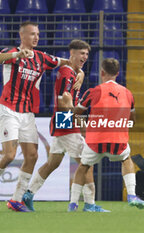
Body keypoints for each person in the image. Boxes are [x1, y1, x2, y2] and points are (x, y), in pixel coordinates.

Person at [0, 21, 76, 212]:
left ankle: (16, 199)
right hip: (9, 110)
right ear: (22, 36)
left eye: (37, 34)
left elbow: (62, 62)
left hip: (27, 113)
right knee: (10, 155)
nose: (36, 37)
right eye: (32, 34)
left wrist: (78, 71)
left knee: (32, 155)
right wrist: (16, 54)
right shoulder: (12, 53)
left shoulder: (41, 58)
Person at [21, 40, 108, 212]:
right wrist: (77, 117)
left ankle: (28, 194)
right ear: (72, 54)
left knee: (52, 163)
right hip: (66, 121)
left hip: (62, 121)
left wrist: (80, 73)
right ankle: (89, 204)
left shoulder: (73, 72)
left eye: (87, 54)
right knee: (86, 162)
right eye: (81, 53)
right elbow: (62, 102)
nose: (85, 57)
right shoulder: (66, 74)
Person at [62, 58, 144, 212]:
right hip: (118, 141)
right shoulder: (128, 94)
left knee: (83, 166)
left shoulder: (93, 92)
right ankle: (132, 195)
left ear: (101, 72)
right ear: (118, 74)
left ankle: (73, 204)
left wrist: (71, 108)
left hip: (95, 141)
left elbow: (75, 114)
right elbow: (133, 119)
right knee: (126, 159)